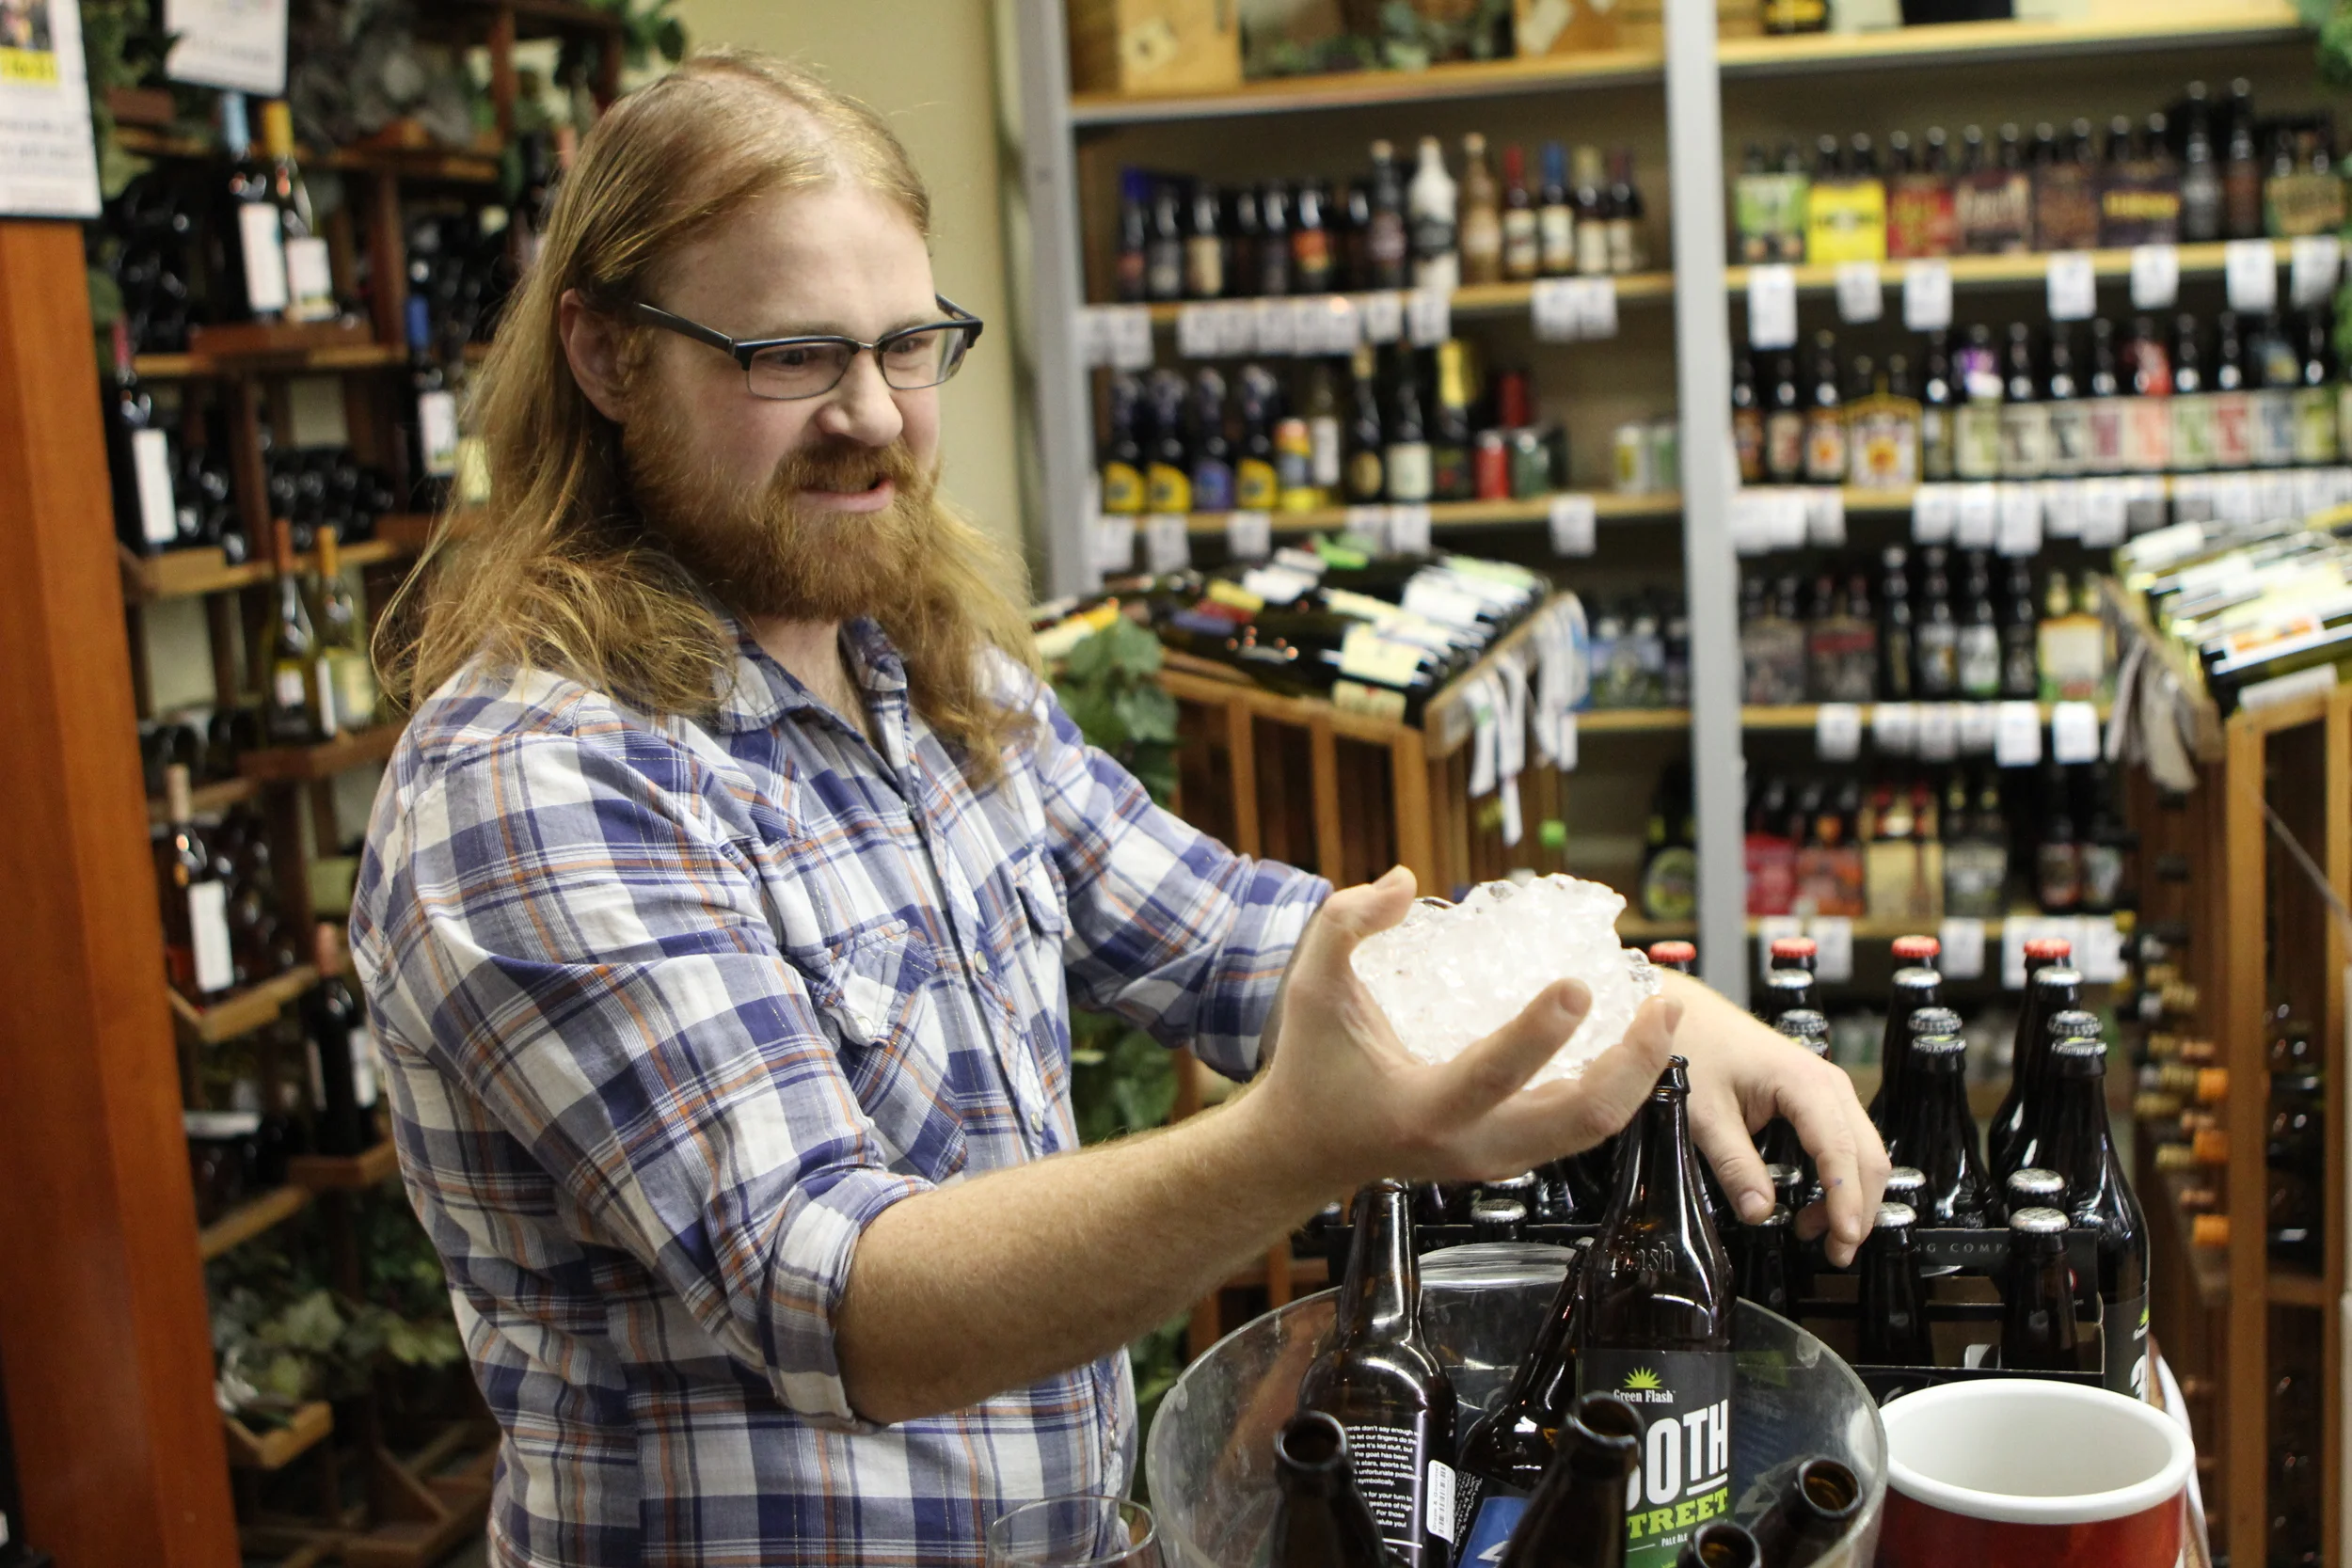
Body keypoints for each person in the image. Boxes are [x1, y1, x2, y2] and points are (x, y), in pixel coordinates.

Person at [351, 49, 1887, 1568]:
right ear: (608, 355)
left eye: (907, 345)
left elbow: (1233, 936)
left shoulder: (926, 677)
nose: (874, 414)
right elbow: (838, 1297)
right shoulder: (539, 778)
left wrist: (1643, 1008)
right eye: (794, 357)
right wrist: (1289, 1145)